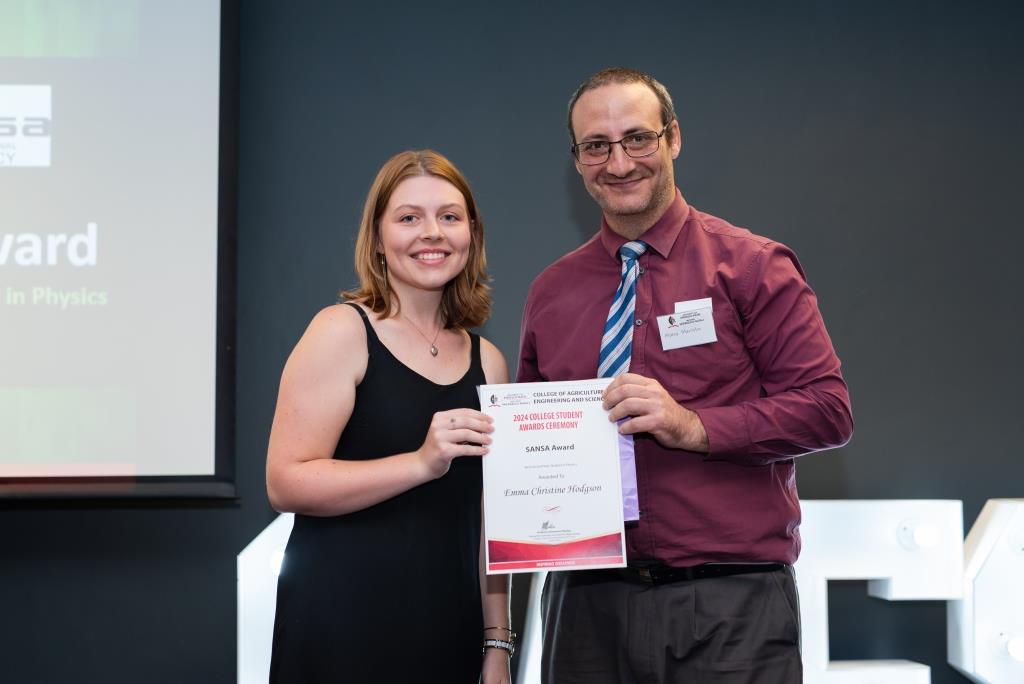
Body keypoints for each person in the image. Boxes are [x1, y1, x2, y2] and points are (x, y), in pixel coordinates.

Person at [517, 68, 854, 683]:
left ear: (673, 138)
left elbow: (827, 410)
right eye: (597, 146)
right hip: (584, 606)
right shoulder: (552, 291)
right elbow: (535, 443)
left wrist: (693, 426)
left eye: (637, 138)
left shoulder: (752, 267)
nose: (619, 163)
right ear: (577, 160)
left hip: (729, 605)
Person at [266, 150, 512, 683]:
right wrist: (421, 463)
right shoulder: (341, 331)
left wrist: (498, 642)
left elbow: (492, 520)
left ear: (471, 233)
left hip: (449, 627)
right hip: (342, 627)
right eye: (408, 217)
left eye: (450, 216)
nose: (432, 233)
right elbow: (285, 482)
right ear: (378, 238)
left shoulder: (488, 362)